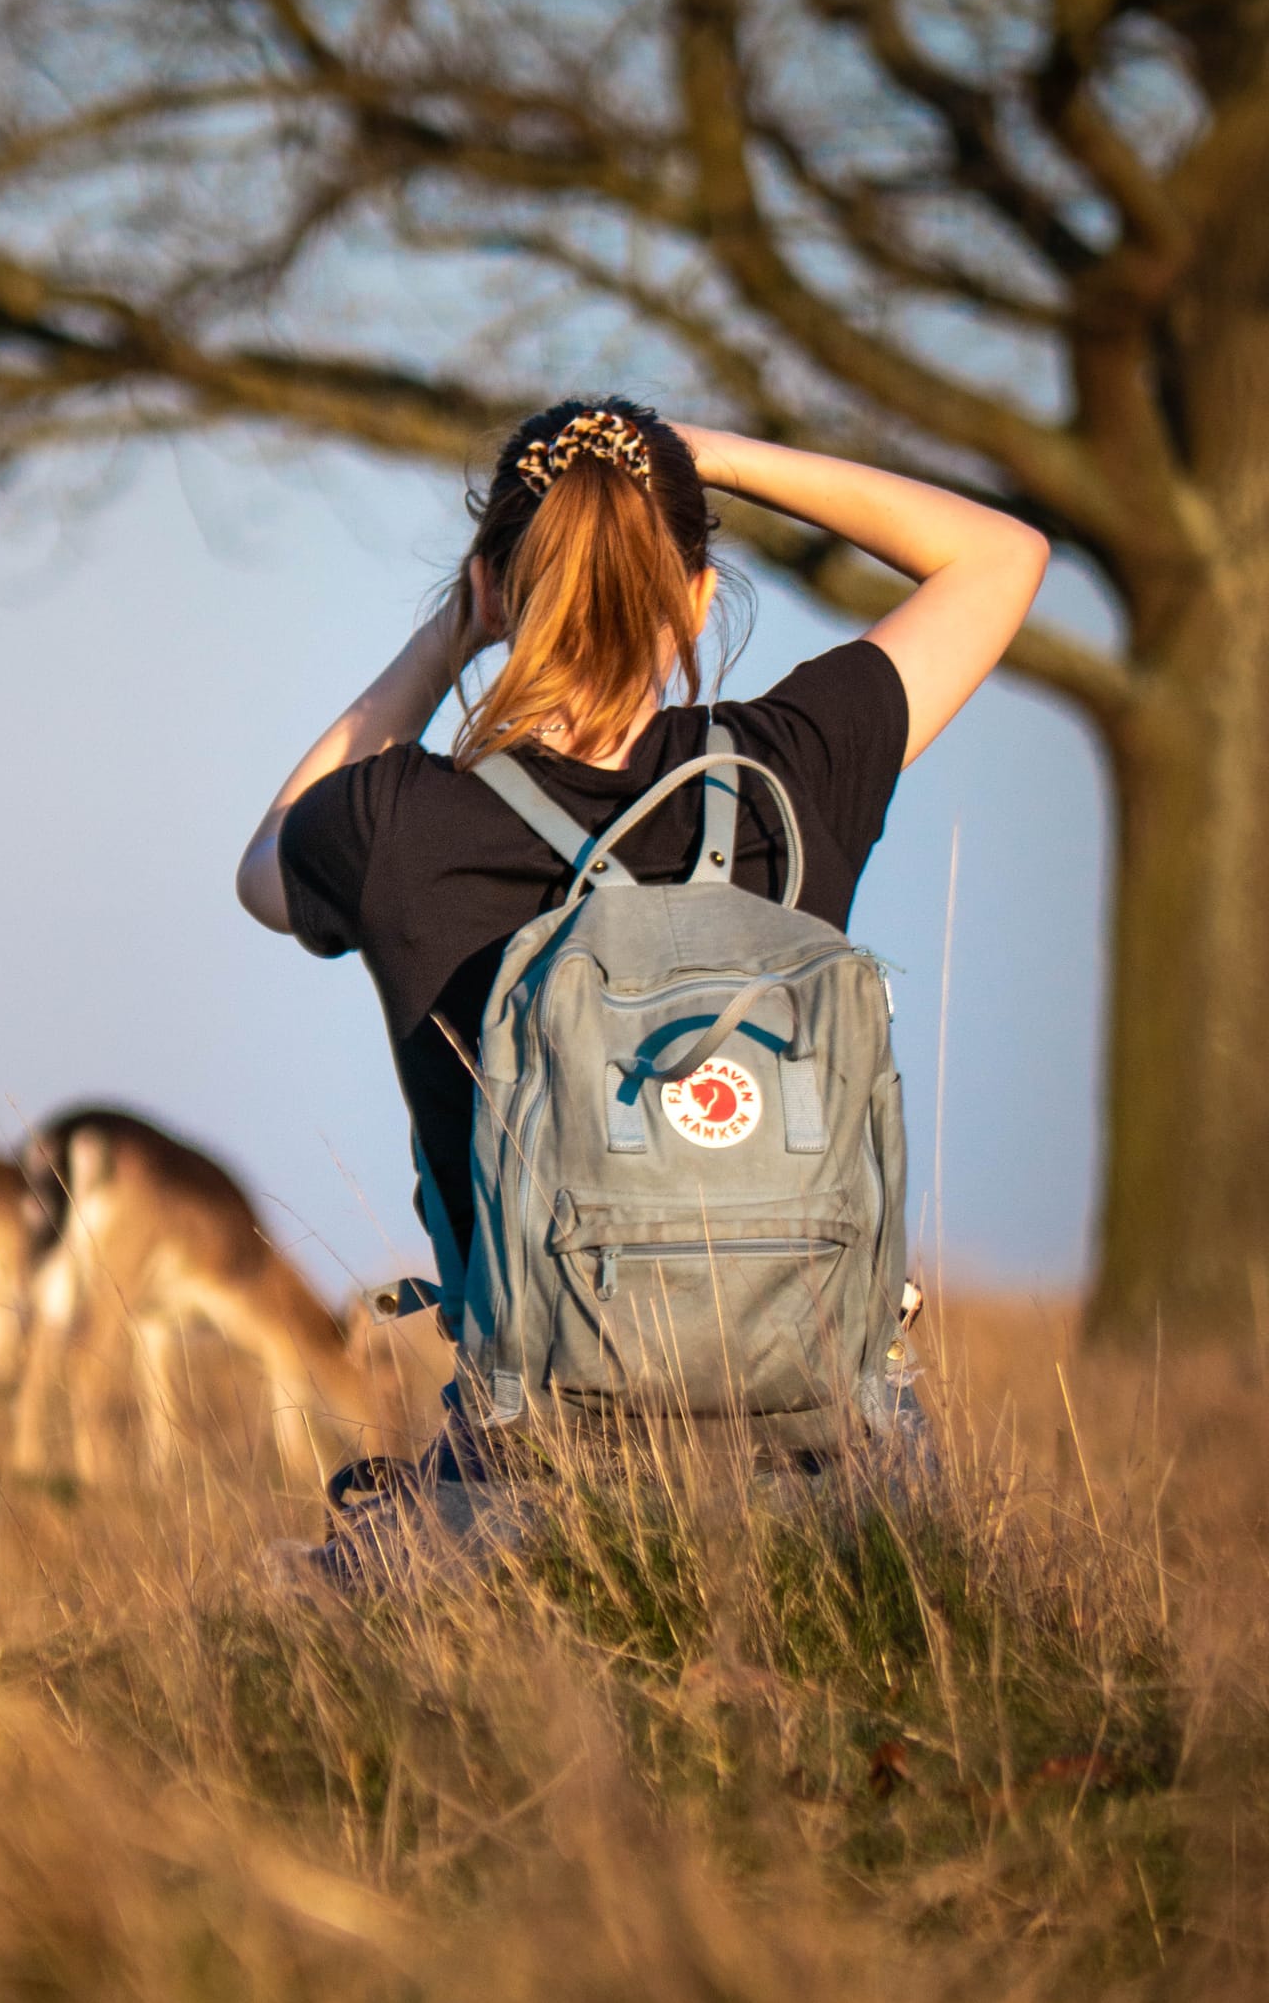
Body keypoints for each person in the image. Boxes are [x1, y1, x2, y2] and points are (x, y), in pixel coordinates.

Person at [236, 399, 1048, 1556]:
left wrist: (447, 639)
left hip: (530, 1478)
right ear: (697, 593)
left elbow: (266, 861)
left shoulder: (393, 823)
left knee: (295, 1591)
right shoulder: (792, 765)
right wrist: (707, 455)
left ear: (496, 590)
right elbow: (1001, 555)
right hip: (836, 1473)